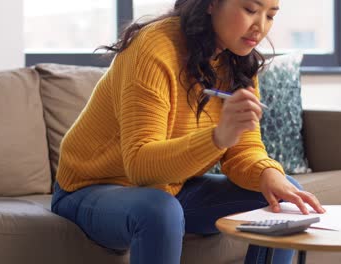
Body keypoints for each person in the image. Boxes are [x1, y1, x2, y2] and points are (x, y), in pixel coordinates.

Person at [51, 0, 325, 263]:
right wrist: (218, 138)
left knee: (282, 200)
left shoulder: (238, 60)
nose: (260, 27)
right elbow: (139, 165)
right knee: (158, 210)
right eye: (251, 9)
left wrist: (269, 174)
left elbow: (243, 150)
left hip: (169, 188)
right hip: (90, 188)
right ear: (211, 3)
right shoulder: (153, 47)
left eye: (270, 15)